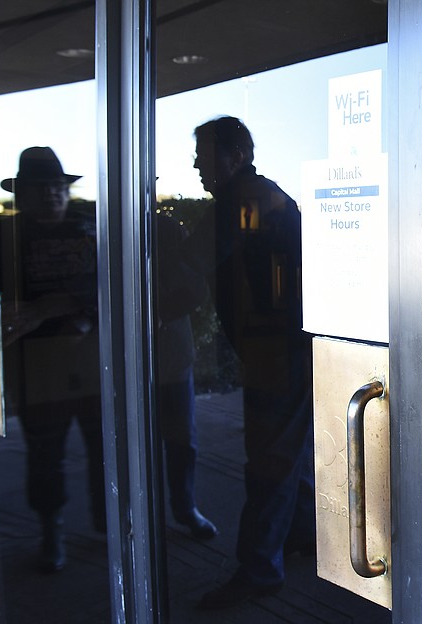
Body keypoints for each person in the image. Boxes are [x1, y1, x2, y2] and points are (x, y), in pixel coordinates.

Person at [182, 116, 315, 609]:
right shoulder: (264, 195)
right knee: (289, 450)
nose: (196, 162)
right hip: (289, 348)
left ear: (235, 155)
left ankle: (260, 568)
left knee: (269, 461)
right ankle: (302, 533)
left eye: (204, 152)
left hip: (275, 353)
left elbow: (187, 262)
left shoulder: (244, 199)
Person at [0, 146, 104, 573]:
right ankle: (51, 530)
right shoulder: (2, 238)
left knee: (103, 445)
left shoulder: (90, 227)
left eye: (57, 186)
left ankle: (109, 528)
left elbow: (109, 287)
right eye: (40, 188)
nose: (51, 195)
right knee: (45, 451)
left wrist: (72, 315)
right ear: (23, 194)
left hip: (92, 358)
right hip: (36, 364)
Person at [153, 210, 217, 539]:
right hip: (129, 356)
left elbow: (194, 286)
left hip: (169, 353)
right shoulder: (102, 223)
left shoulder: (166, 228)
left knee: (180, 438)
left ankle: (184, 507)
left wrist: (161, 313)